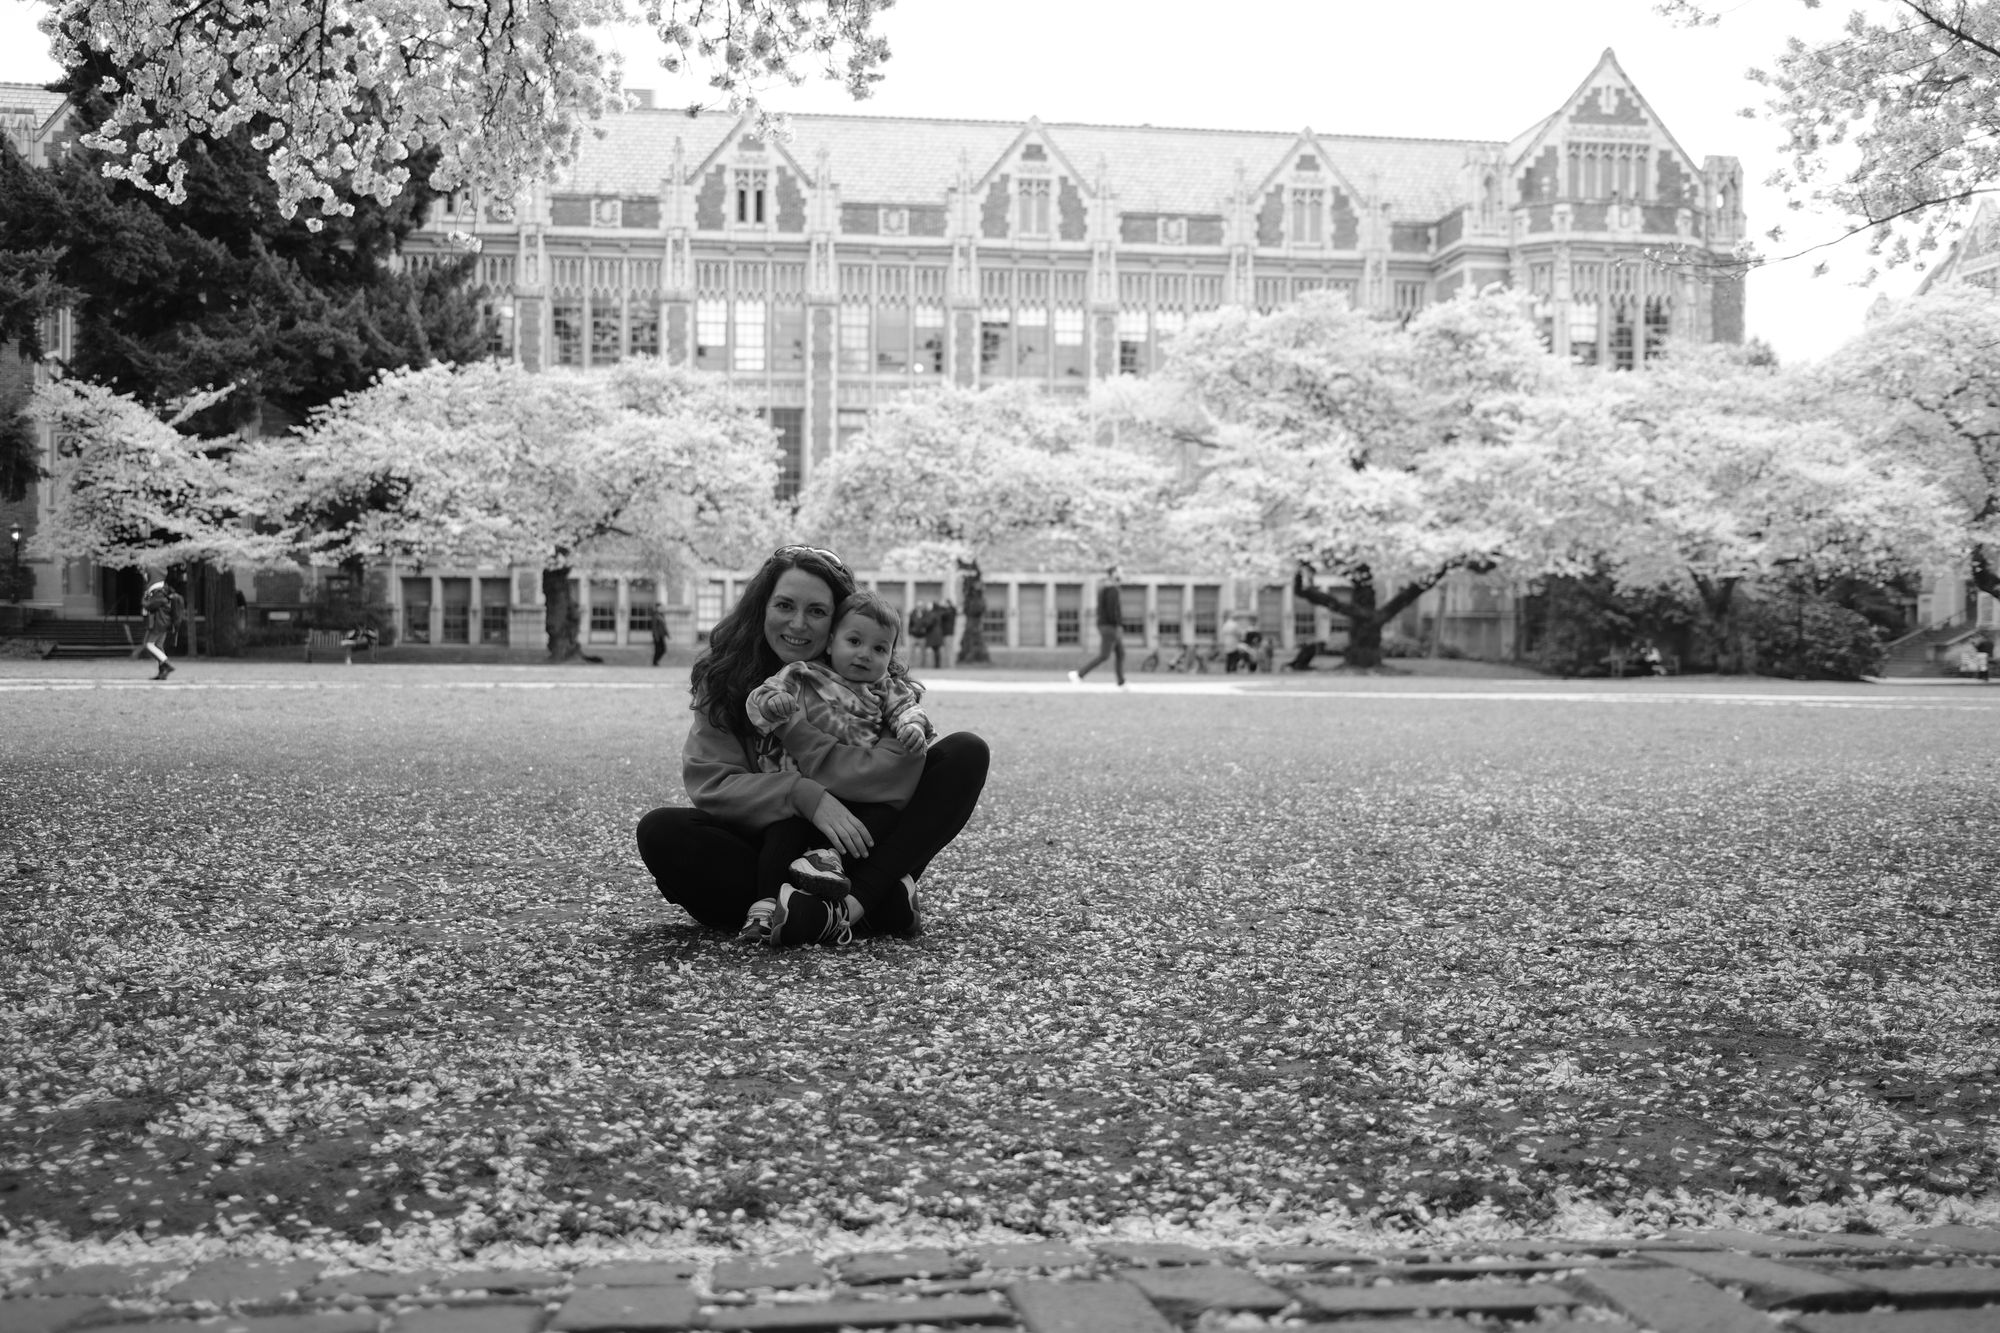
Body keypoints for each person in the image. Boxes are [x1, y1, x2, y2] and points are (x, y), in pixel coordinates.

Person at [634, 546, 989, 949]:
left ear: (838, 622)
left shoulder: (875, 684)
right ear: (762, 608)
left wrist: (800, 740)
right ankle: (867, 905)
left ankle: (850, 906)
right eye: (785, 605)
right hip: (769, 847)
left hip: (861, 839)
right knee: (662, 832)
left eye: (817, 611)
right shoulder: (725, 679)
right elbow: (713, 784)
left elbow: (895, 778)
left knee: (966, 753)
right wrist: (803, 796)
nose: (798, 624)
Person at [744, 589, 935, 940]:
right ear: (831, 643)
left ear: (891, 656)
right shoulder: (804, 673)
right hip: (803, 790)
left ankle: (827, 868)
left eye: (879, 649)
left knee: (884, 818)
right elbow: (762, 697)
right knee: (782, 835)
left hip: (857, 794)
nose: (865, 654)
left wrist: (912, 726)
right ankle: (765, 906)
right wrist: (774, 704)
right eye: (854, 641)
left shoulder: (885, 688)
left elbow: (908, 709)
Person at [1067, 564, 1128, 687]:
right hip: (1110, 627)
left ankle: (1121, 682)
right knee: (1104, 655)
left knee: (1120, 653)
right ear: (1114, 574)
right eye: (1120, 571)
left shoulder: (1106, 587)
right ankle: (1079, 675)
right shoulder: (1111, 589)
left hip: (1107, 626)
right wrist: (1118, 625)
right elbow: (1112, 611)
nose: (1122, 574)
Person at [140, 576, 183, 681]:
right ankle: (163, 672)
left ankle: (167, 664)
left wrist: (145, 598)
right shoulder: (164, 595)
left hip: (159, 624)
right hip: (164, 624)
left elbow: (147, 605)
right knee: (158, 646)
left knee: (149, 644)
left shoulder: (159, 595)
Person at [920, 598, 947, 670]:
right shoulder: (938, 613)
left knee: (934, 649)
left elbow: (929, 623)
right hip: (937, 633)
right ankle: (937, 665)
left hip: (933, 634)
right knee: (936, 650)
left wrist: (924, 626)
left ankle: (935, 665)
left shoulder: (932, 614)